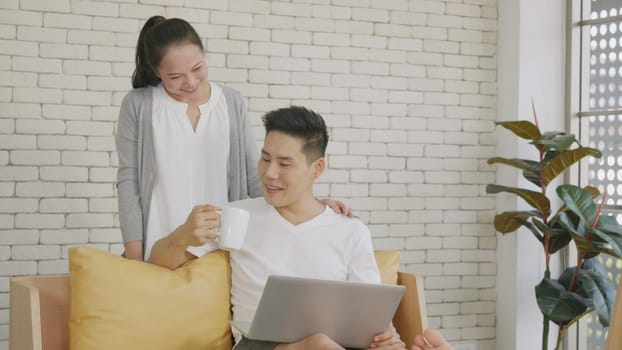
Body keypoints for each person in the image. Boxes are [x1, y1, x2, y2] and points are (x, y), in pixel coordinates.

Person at [148, 106, 451, 350]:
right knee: (317, 343)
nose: (269, 173)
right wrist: (181, 235)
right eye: (265, 159)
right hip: (260, 345)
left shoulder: (350, 230)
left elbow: (371, 312)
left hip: (336, 344)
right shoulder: (237, 215)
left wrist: (385, 337)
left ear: (316, 168)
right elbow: (157, 264)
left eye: (285, 163)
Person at [115, 16, 349, 261]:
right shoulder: (140, 105)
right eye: (175, 77)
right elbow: (129, 181)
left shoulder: (230, 102)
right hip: (160, 247)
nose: (191, 82)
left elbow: (252, 176)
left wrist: (310, 205)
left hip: (219, 247)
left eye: (197, 68)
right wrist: (134, 255)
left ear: (204, 56)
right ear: (157, 71)